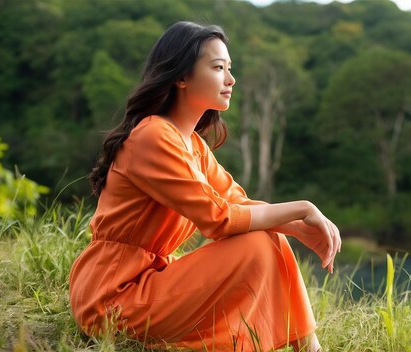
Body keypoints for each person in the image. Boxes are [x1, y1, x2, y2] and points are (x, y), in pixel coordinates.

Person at [69, 21, 341, 352]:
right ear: (181, 77)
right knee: (257, 244)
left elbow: (239, 204)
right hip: (110, 297)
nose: (230, 79)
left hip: (149, 283)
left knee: (268, 237)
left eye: (230, 68)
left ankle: (310, 348)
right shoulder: (153, 136)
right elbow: (219, 219)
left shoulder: (193, 146)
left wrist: (296, 228)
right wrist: (304, 209)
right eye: (218, 68)